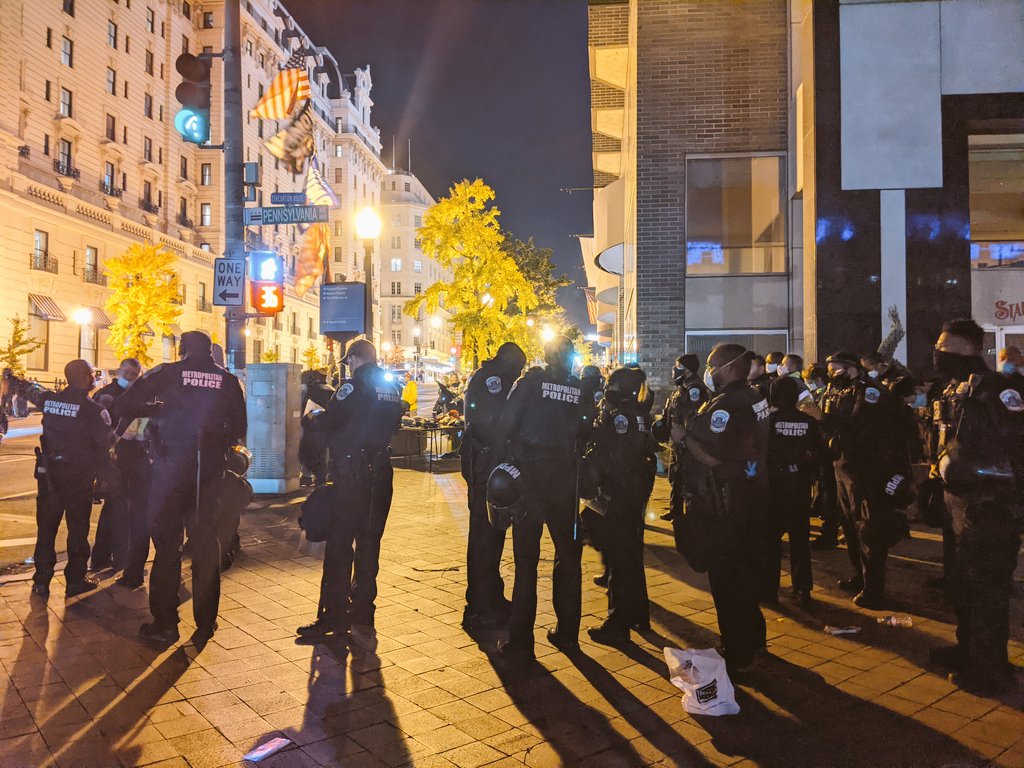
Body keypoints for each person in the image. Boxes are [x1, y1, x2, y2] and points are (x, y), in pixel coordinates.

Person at [114, 331, 247, 645]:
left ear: (182, 349)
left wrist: (159, 410)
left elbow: (124, 404)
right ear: (209, 352)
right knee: (206, 544)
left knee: (167, 547)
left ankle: (165, 624)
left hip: (171, 470)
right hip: (210, 474)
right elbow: (239, 428)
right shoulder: (227, 380)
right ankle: (206, 622)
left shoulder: (167, 373)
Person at [928, 319, 1023, 694]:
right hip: (960, 503)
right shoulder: (955, 388)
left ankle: (991, 669)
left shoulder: (998, 390)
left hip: (991, 506)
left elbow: (1015, 445)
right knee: (964, 584)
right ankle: (968, 649)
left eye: (944, 347)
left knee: (987, 589)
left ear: (968, 348)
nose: (938, 354)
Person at [494, 335, 596, 663]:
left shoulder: (530, 384)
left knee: (526, 563)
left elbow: (506, 425)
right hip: (565, 480)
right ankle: (568, 634)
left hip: (531, 480)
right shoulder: (580, 389)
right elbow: (587, 431)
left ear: (547, 355)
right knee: (568, 558)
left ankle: (522, 642)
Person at [298, 339, 404, 647]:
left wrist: (314, 417)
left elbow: (331, 421)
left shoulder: (352, 386)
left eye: (350, 361)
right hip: (381, 472)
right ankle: (363, 611)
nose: (350, 366)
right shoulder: (391, 387)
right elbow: (393, 423)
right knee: (369, 544)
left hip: (352, 473)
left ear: (356, 358)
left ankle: (334, 616)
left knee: (340, 544)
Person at [685, 343, 770, 673]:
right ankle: (754, 641)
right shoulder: (754, 396)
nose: (709, 371)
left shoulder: (728, 403)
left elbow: (713, 455)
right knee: (745, 577)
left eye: (712, 365)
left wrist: (683, 438)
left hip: (728, 501)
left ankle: (738, 652)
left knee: (728, 580)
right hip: (752, 494)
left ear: (728, 367)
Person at [821, 351, 908, 608]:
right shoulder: (838, 390)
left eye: (836, 368)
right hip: (842, 466)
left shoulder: (870, 391)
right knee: (849, 526)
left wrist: (824, 419)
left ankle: (874, 589)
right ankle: (859, 576)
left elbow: (860, 426)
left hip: (866, 470)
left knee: (868, 529)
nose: (832, 374)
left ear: (852, 368)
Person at [22, 361, 113, 599]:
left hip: (50, 477)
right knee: (77, 532)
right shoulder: (92, 410)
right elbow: (103, 448)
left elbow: (32, 392)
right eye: (91, 374)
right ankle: (75, 580)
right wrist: (107, 480)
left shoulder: (50, 401)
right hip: (77, 479)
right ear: (83, 377)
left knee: (46, 531)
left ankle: (41, 582)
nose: (94, 378)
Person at [584, 366, 658, 645]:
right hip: (634, 491)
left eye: (611, 383)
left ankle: (618, 624)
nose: (607, 388)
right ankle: (638, 614)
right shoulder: (639, 411)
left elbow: (613, 455)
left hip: (620, 493)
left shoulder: (620, 415)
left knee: (620, 559)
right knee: (630, 556)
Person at [460, 342, 528, 634]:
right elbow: (495, 423)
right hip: (485, 465)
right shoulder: (494, 379)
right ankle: (480, 605)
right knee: (484, 537)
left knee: (492, 534)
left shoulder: (492, 375)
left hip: (487, 463)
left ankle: (490, 597)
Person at [762, 376, 824, 606]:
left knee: (771, 539)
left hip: (775, 484)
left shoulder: (769, 421)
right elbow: (818, 451)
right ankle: (802, 589)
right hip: (800, 483)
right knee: (800, 539)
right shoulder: (808, 421)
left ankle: (768, 589)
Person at [89, 358, 143, 573]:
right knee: (118, 508)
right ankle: (113, 556)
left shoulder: (137, 394)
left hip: (129, 458)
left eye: (133, 374)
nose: (129, 377)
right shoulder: (107, 394)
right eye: (127, 372)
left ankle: (105, 556)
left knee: (116, 508)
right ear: (119, 370)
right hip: (114, 459)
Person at [655, 355, 709, 523]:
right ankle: (676, 510)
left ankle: (689, 514)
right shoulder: (681, 387)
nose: (674, 369)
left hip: (687, 442)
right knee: (676, 475)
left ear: (687, 369)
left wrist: (684, 435)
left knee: (687, 477)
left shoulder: (695, 388)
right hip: (678, 441)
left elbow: (694, 415)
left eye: (678, 366)